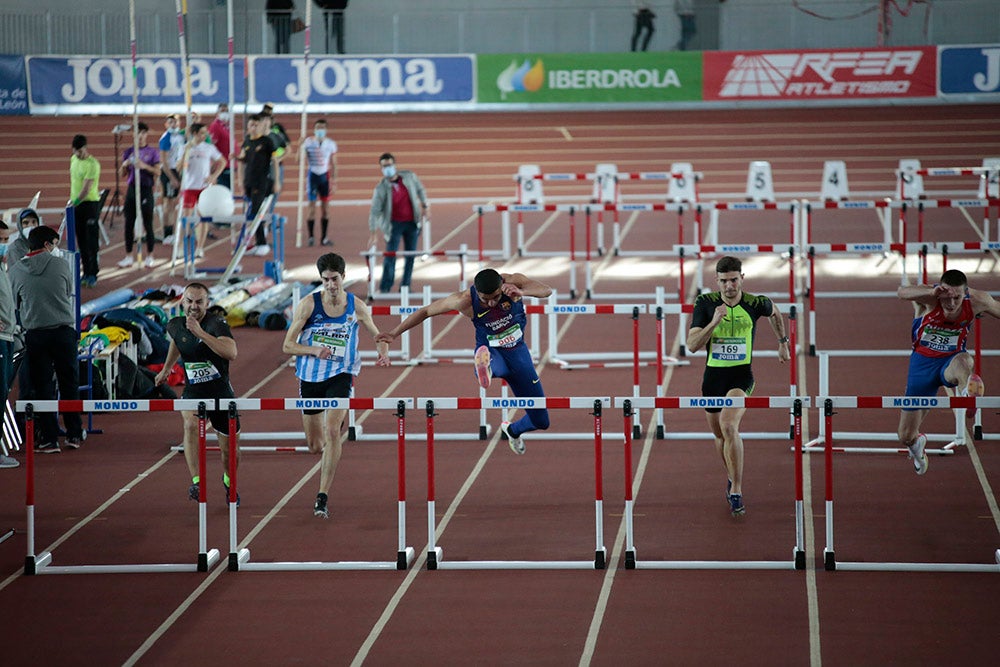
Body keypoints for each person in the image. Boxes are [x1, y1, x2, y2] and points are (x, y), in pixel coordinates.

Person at [376, 268, 552, 455]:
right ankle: (484, 368)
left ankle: (512, 430)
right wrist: (394, 333)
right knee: (493, 365)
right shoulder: (465, 300)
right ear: (477, 291)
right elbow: (426, 311)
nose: (491, 303)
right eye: (485, 299)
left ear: (502, 285)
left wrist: (522, 292)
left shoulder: (513, 281)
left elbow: (546, 290)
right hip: (491, 351)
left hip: (519, 354)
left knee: (541, 421)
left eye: (496, 297)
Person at [281, 253, 389, 518]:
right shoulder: (308, 305)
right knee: (315, 445)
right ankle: (329, 433)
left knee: (332, 432)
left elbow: (378, 335)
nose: (330, 285)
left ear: (343, 277)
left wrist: (382, 350)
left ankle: (322, 496)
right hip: (309, 377)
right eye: (325, 280)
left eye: (334, 279)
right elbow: (287, 346)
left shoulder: (357, 306)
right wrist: (313, 349)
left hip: (341, 373)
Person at [687, 256, 790, 517]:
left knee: (729, 425)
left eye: (734, 280)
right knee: (720, 436)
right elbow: (692, 345)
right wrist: (713, 323)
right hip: (712, 379)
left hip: (741, 377)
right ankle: (732, 477)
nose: (729, 285)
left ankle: (737, 489)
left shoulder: (755, 302)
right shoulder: (705, 303)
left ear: (742, 278)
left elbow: (775, 312)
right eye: (724, 281)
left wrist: (783, 342)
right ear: (717, 281)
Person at [896, 270, 1000, 475]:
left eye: (957, 297)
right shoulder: (930, 297)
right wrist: (933, 291)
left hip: (950, 361)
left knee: (965, 361)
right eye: (947, 297)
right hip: (921, 366)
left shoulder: (979, 300)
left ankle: (966, 393)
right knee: (905, 435)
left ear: (966, 293)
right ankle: (917, 447)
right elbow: (901, 292)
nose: (951, 303)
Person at [154, 282, 242, 504]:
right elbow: (178, 342)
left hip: (221, 392)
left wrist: (200, 332)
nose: (194, 306)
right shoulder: (175, 324)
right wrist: (166, 369)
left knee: (229, 451)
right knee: (191, 425)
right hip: (194, 392)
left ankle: (229, 481)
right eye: (190, 301)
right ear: (182, 302)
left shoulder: (216, 323)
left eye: (199, 302)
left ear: (207, 303)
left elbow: (231, 352)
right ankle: (197, 481)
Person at [9, 225, 84, 454]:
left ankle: (49, 439)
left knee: (43, 387)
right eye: (54, 244)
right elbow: (68, 290)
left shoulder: (16, 271)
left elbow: (15, 304)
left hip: (35, 335)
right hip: (63, 332)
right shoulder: (61, 264)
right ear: (46, 245)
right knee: (69, 382)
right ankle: (73, 433)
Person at [368, 152, 429, 294]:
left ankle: (405, 286)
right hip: (393, 225)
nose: (387, 168)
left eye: (389, 165)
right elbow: (374, 211)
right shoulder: (381, 188)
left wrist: (426, 206)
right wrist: (373, 233)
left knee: (410, 255)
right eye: (384, 166)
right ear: (381, 168)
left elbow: (421, 190)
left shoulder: (409, 177)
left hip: (412, 223)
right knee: (390, 255)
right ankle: (385, 286)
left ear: (394, 165)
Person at [178, 122, 226, 258]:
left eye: (205, 133)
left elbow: (222, 162)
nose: (205, 135)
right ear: (194, 134)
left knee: (204, 218)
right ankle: (181, 246)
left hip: (204, 188)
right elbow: (178, 167)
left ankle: (200, 247)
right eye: (202, 133)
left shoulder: (209, 148)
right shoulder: (184, 148)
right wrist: (185, 153)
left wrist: (213, 176)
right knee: (186, 219)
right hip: (189, 187)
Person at [118, 121, 161, 268]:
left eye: (143, 133)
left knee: (148, 223)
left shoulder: (153, 152)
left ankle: (150, 255)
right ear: (134, 135)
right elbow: (122, 174)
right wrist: (124, 166)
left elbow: (158, 171)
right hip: (131, 189)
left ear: (146, 134)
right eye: (138, 133)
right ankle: (129, 256)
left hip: (146, 189)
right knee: (129, 223)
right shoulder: (128, 152)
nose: (141, 136)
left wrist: (144, 166)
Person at [237, 113, 281, 256]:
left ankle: (262, 243)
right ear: (248, 127)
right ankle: (257, 242)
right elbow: (242, 162)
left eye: (257, 125)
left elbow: (274, 162)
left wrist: (277, 181)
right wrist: (241, 182)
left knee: (255, 212)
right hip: (248, 182)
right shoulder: (247, 141)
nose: (254, 127)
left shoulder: (267, 142)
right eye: (251, 125)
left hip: (262, 182)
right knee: (252, 213)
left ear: (261, 126)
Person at [69, 134, 102, 287]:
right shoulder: (73, 160)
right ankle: (86, 272)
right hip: (77, 206)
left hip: (89, 205)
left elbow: (86, 188)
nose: (78, 155)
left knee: (91, 240)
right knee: (81, 240)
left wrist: (74, 202)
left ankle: (93, 273)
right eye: (76, 152)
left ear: (85, 148)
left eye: (80, 152)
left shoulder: (93, 164)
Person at [300, 118, 338, 247]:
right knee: (311, 209)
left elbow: (335, 163)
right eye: (317, 128)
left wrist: (334, 181)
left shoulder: (331, 144)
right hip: (313, 177)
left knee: (326, 209)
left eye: (322, 128)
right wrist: (300, 146)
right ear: (314, 129)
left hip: (325, 177)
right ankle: (311, 237)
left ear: (326, 130)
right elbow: (298, 160)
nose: (320, 130)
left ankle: (324, 237)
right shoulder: (308, 142)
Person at [0, 221, 18, 468]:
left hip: (9, 336)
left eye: (5, 240)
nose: (4, 245)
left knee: (3, 392)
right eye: (1, 240)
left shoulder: (4, 267)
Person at [158, 114, 186, 244]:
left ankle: (175, 232)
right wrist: (172, 178)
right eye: (170, 122)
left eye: (175, 122)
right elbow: (163, 162)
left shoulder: (181, 136)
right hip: (169, 171)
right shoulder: (165, 138)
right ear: (166, 125)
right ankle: (167, 234)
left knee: (175, 203)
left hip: (178, 170)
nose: (173, 124)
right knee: (168, 204)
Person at [206, 103, 233, 189]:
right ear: (217, 113)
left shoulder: (226, 126)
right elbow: (211, 146)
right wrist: (212, 165)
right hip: (220, 166)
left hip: (228, 164)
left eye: (226, 111)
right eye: (222, 111)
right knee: (222, 190)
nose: (225, 113)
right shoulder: (215, 126)